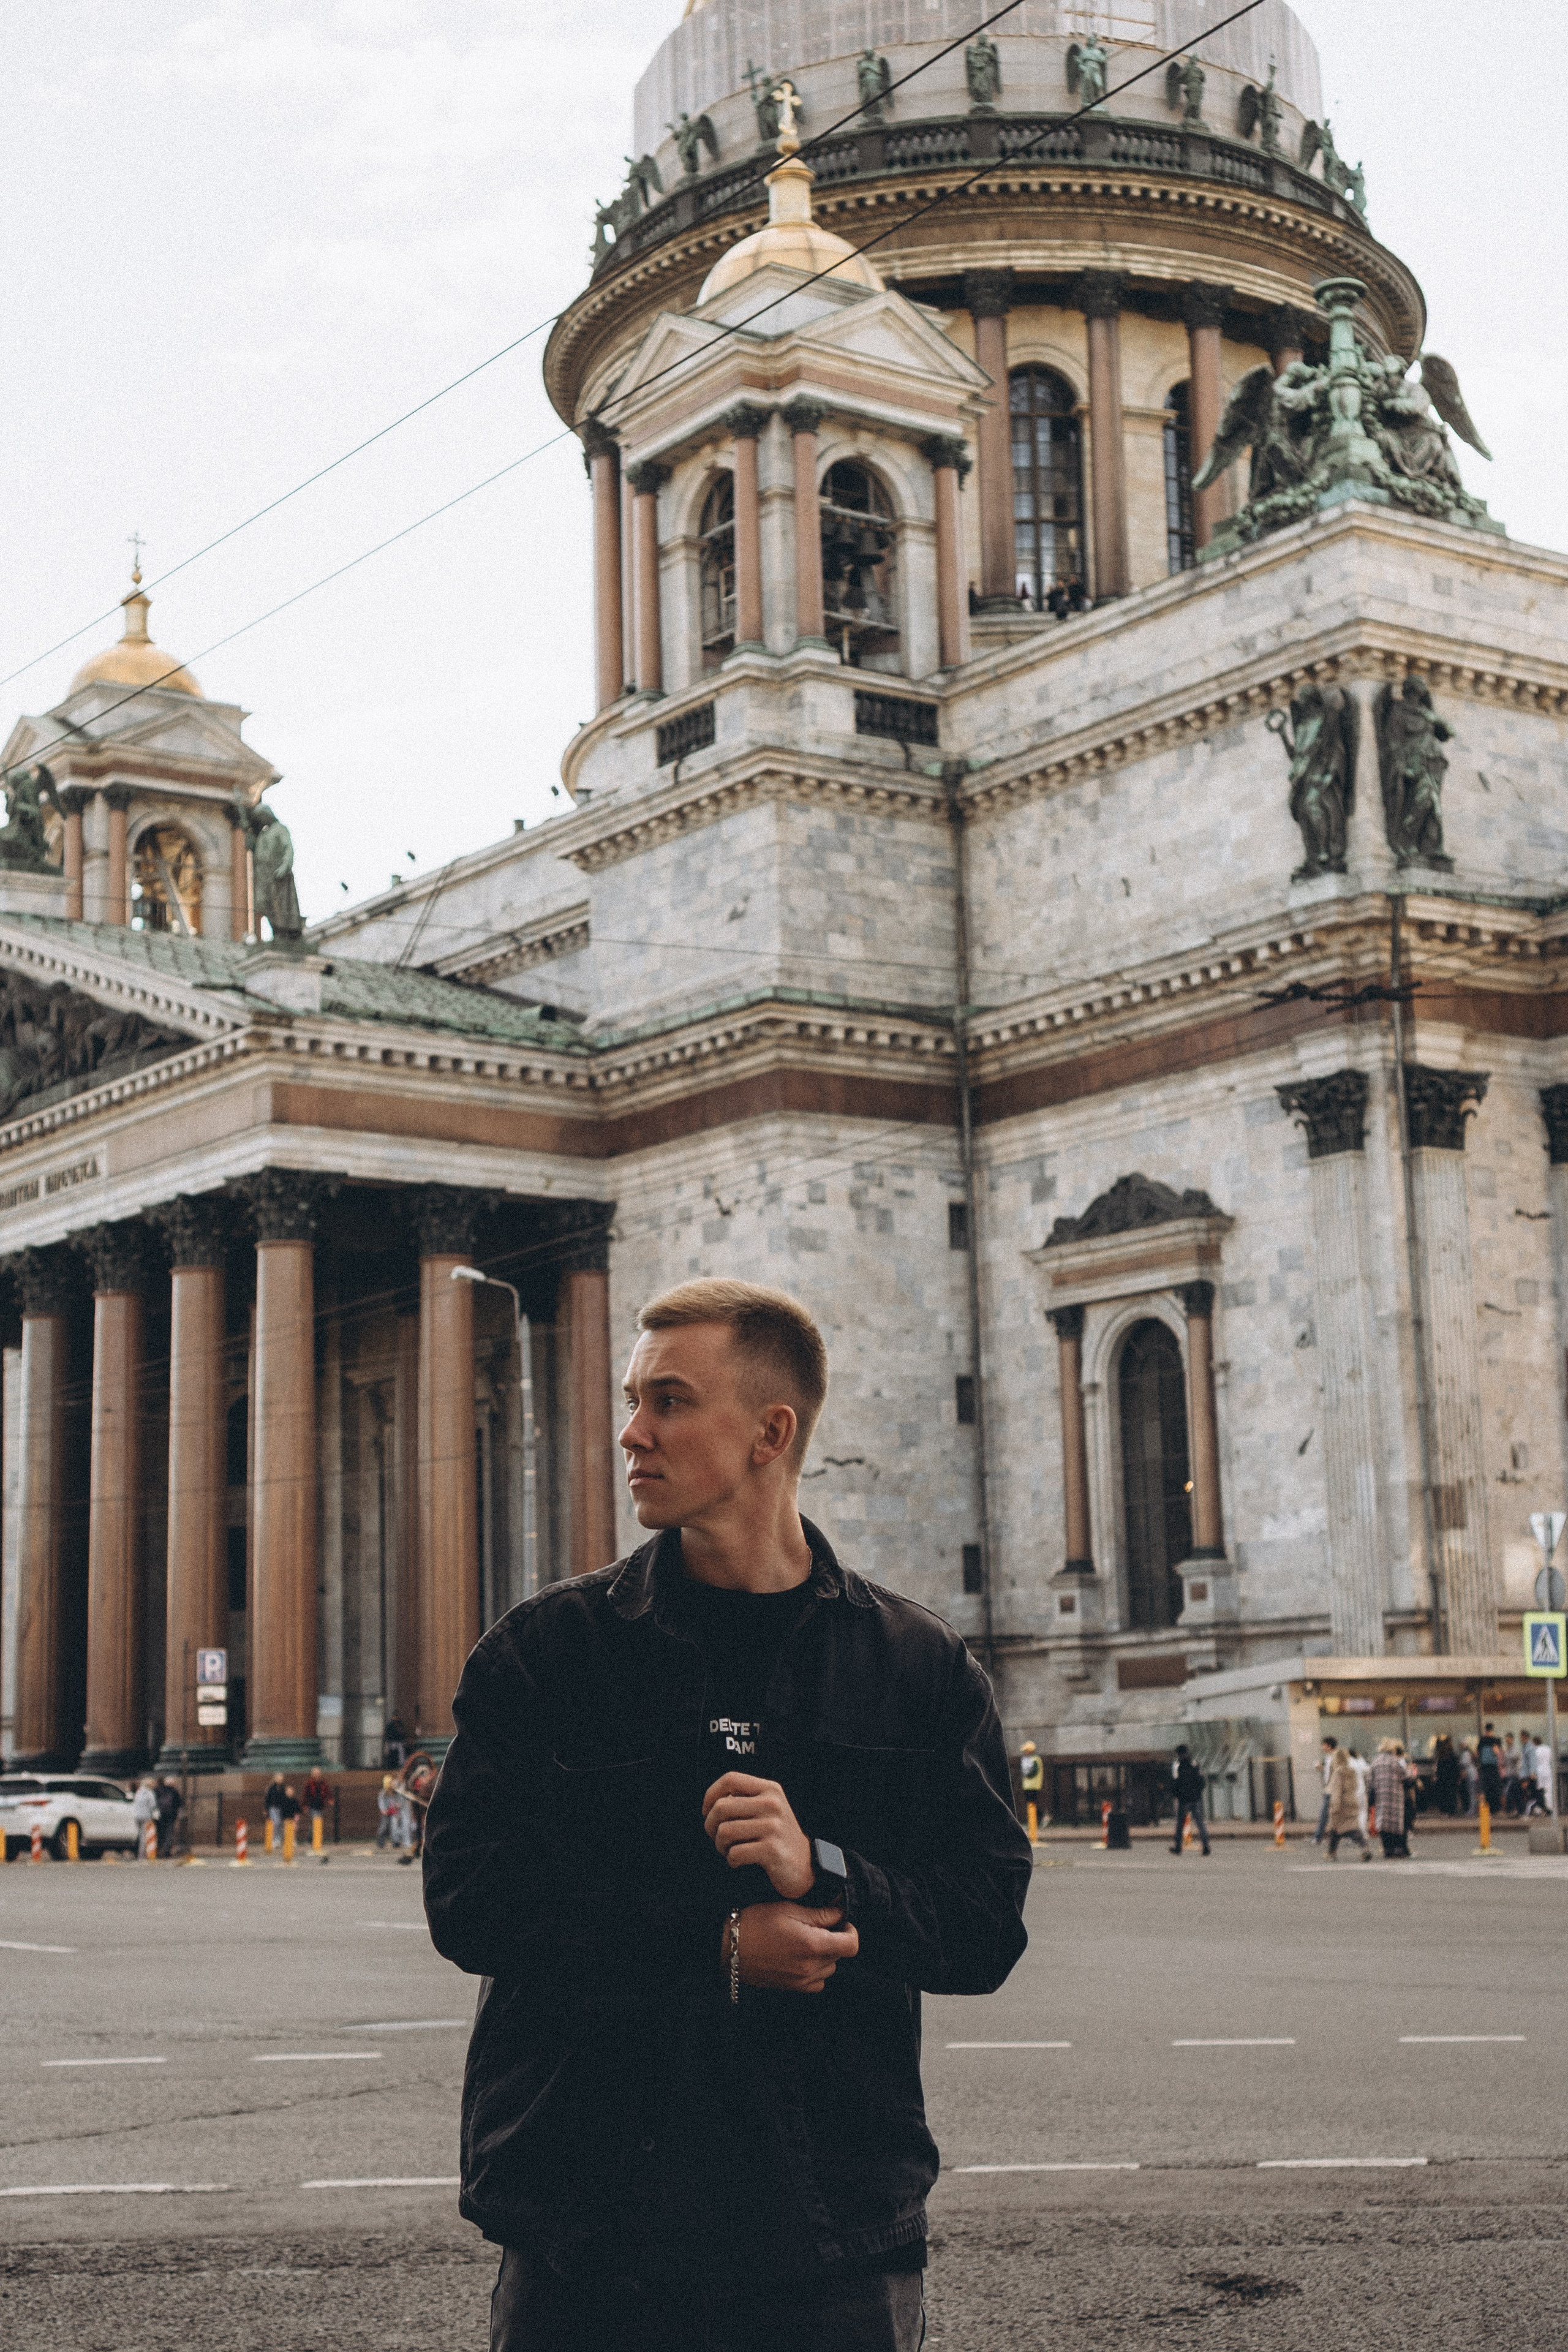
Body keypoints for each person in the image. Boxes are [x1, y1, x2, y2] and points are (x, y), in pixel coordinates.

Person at [424, 1277, 1031, 2352]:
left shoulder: (915, 1667)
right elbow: (473, 1904)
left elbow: (986, 1925)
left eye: (668, 1401)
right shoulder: (546, 1654)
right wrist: (719, 1945)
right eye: (634, 1400)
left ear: (770, 1433)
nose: (631, 1432)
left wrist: (827, 1871)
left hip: (829, 2232)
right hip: (588, 2231)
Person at [1325, 1742, 1371, 1859]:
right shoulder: (1351, 1771)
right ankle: (1364, 1847)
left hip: (1341, 1804)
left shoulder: (1338, 1773)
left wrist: (1335, 1807)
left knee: (1336, 1828)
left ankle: (1332, 1853)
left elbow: (1337, 1791)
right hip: (1352, 1801)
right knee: (1352, 1828)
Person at [1169, 1744, 1211, 1856]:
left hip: (1184, 1800)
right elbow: (1201, 1781)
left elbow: (1175, 1783)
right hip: (1195, 1799)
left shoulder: (1178, 1766)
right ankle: (1206, 1845)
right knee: (1200, 1823)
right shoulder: (1194, 1764)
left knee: (1180, 1825)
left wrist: (1177, 1795)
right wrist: (1198, 1793)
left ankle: (1178, 1847)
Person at [1370, 1741, 1408, 1859]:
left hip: (1380, 1796)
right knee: (1396, 1822)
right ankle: (1398, 1849)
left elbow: (1370, 1780)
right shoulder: (1395, 1762)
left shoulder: (1375, 1762)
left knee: (1383, 1822)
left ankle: (1388, 1849)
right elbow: (1405, 1776)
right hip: (1395, 1796)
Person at [1019, 1740, 1044, 1844]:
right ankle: (1033, 1824)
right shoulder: (1028, 1758)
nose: (1025, 1752)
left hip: (1033, 1785)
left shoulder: (1035, 1759)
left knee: (1032, 1804)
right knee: (1030, 1805)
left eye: (1026, 1750)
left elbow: (1033, 1772)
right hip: (1028, 1785)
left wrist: (1027, 1774)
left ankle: (1040, 1818)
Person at [1313, 1737, 1337, 1845]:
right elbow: (1329, 1772)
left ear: (1329, 1746)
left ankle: (1318, 1837)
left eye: (1323, 1745)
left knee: (1324, 1814)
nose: (1322, 1747)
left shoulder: (1335, 1757)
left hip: (1332, 1790)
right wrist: (1321, 1768)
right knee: (1330, 1815)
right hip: (1329, 1789)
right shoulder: (1329, 1757)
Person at [1477, 1721, 1504, 1816]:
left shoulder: (1483, 1740)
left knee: (1489, 1788)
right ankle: (1494, 1809)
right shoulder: (1495, 1740)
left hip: (1487, 1767)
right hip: (1491, 1767)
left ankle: (1491, 1809)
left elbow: (1478, 1753)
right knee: (1493, 1788)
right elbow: (1496, 1752)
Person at [156, 1776, 183, 1858]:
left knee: (160, 1832)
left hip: (160, 1815)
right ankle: (167, 1851)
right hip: (171, 1815)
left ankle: (159, 1850)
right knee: (169, 1833)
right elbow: (180, 1803)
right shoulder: (174, 1791)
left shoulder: (158, 1790)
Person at [1432, 1733, 1460, 1815]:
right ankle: (1452, 1810)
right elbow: (1455, 1767)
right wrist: (1457, 1777)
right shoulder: (1452, 1755)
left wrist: (1437, 1775)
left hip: (1443, 1778)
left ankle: (1446, 1810)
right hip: (1451, 1778)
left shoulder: (1441, 1755)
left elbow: (1439, 1767)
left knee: (1444, 1794)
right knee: (1451, 1794)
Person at [132, 1776, 159, 1860]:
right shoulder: (150, 1793)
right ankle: (142, 1856)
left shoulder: (138, 1792)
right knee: (145, 1837)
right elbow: (153, 1805)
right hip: (146, 1816)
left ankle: (138, 1854)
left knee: (140, 1835)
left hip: (137, 1816)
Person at [301, 1766, 331, 1840]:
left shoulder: (323, 1783)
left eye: (318, 1773)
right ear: (312, 1774)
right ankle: (314, 1839)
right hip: (312, 1806)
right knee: (316, 1821)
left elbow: (328, 1792)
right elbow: (305, 1795)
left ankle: (310, 1838)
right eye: (315, 1774)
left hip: (321, 1806)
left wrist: (330, 1799)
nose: (317, 1775)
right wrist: (305, 1806)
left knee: (316, 1823)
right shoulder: (309, 1783)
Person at [1533, 1734, 1557, 1815]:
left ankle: (1542, 1808)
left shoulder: (1535, 1750)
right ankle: (1550, 1808)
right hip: (1548, 1770)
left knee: (1540, 1790)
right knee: (1548, 1790)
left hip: (1539, 1772)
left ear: (1535, 1742)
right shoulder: (1548, 1749)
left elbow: (1535, 1762)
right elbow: (1552, 1759)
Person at [376, 1774, 401, 1850]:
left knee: (394, 1827)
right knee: (383, 1827)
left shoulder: (396, 1793)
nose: (392, 1784)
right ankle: (381, 1842)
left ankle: (396, 1842)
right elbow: (381, 1802)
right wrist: (383, 1810)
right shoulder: (383, 1793)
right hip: (386, 1812)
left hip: (394, 1812)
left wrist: (398, 1805)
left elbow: (398, 1801)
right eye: (391, 1783)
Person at [264, 1774, 286, 1849]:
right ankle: (275, 1839)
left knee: (280, 1824)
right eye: (278, 1778)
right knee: (276, 1822)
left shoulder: (283, 1788)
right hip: (273, 1808)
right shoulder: (271, 1788)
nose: (280, 1780)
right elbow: (268, 1798)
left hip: (281, 1808)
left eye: (281, 1778)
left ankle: (279, 1839)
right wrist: (266, 1809)